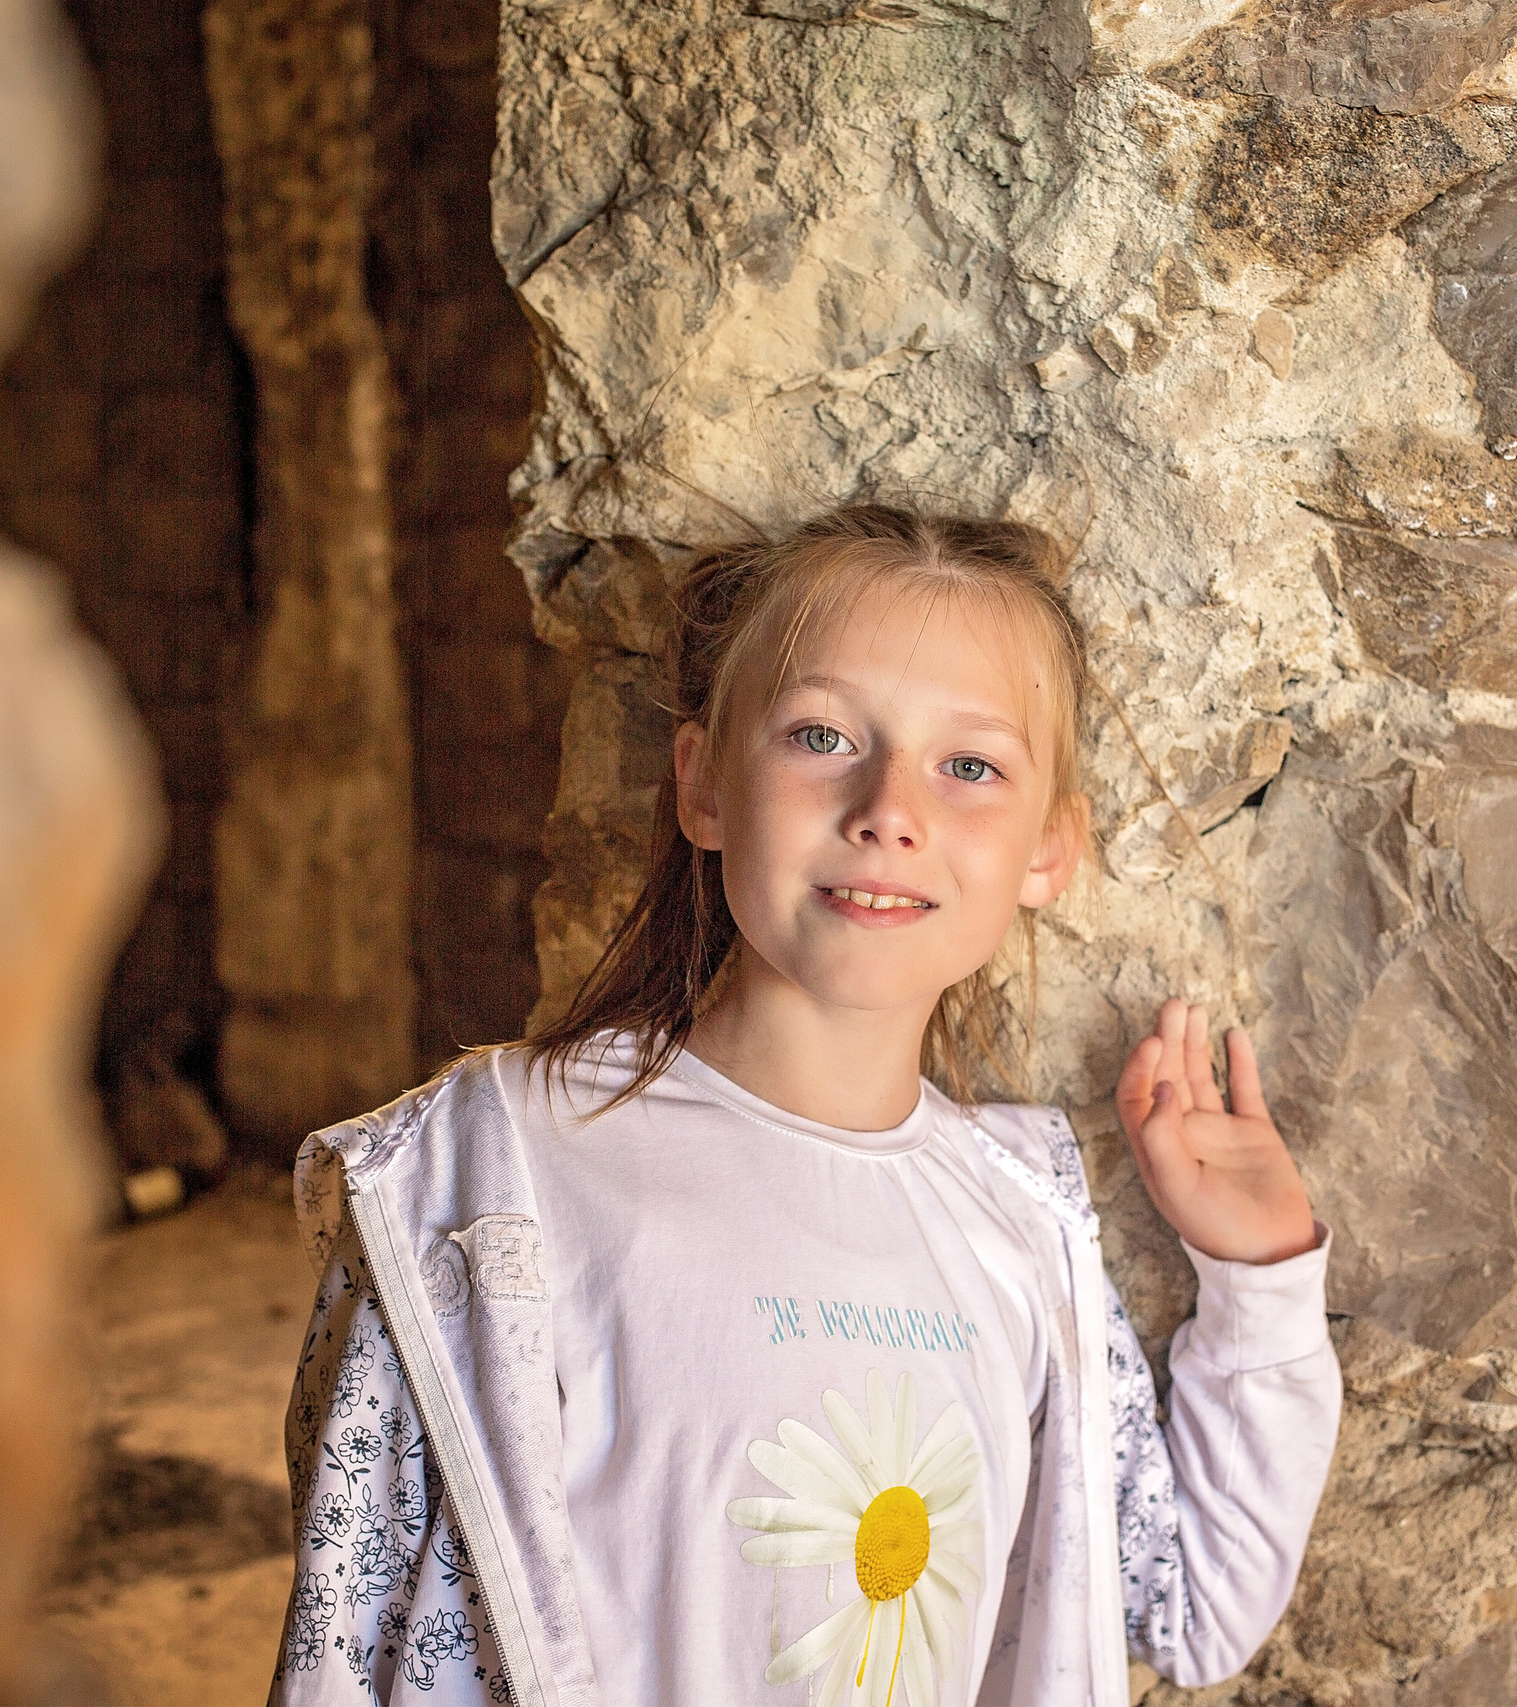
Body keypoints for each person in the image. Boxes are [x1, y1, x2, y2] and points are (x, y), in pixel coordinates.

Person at [267, 505, 1340, 1706]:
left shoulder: (1019, 1218)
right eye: (821, 736)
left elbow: (1193, 1612)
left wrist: (1260, 1276)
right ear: (703, 784)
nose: (890, 808)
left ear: (1048, 849)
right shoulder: (490, 1180)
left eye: (970, 767)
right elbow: (350, 1651)